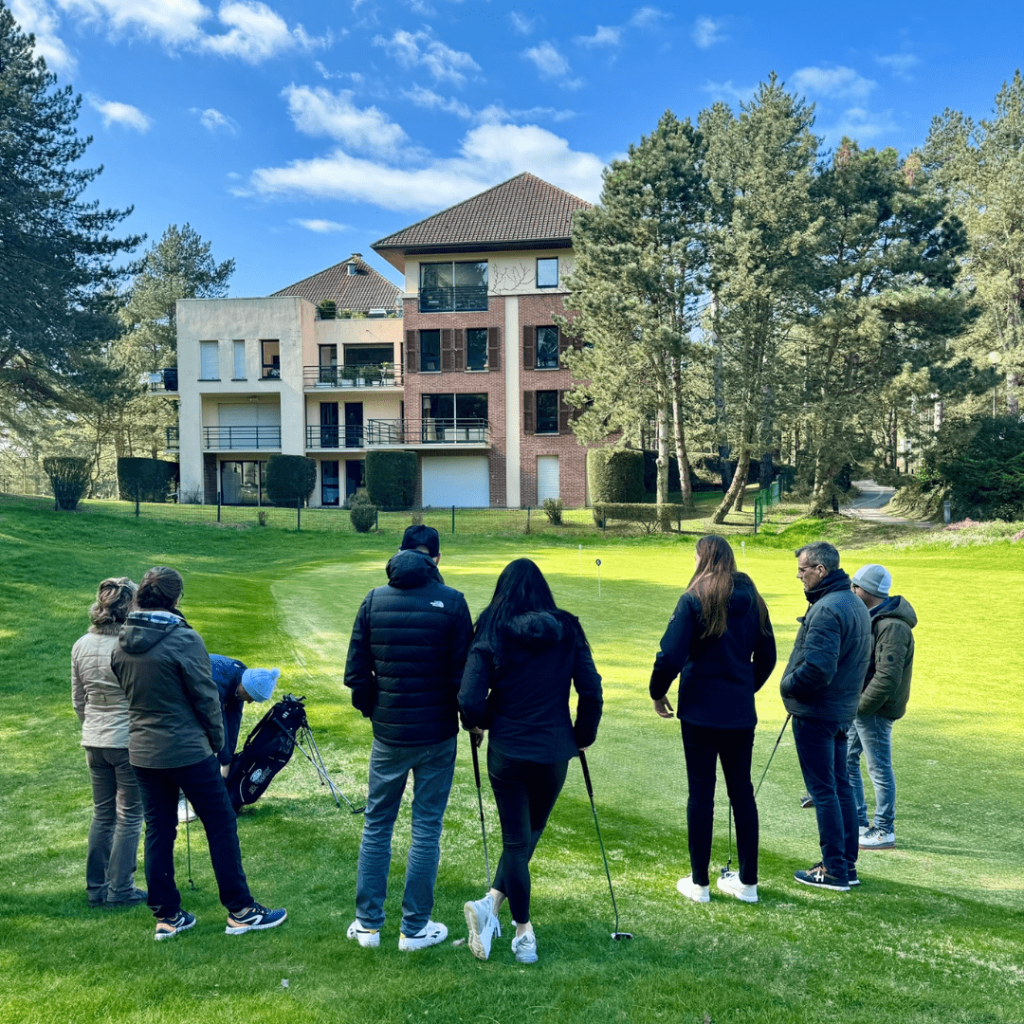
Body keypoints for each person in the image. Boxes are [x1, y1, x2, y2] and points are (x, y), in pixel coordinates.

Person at [110, 566, 286, 940]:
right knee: (221, 824)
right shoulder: (183, 638)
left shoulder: (122, 639)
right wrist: (221, 748)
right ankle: (241, 910)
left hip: (142, 749)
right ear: (176, 600)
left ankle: (167, 916)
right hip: (187, 749)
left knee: (158, 829)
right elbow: (207, 700)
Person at [459, 558, 602, 964]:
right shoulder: (568, 626)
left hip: (508, 749)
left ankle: (511, 923)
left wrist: (486, 719)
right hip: (553, 750)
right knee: (526, 837)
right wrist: (581, 736)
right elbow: (591, 691)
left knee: (519, 842)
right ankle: (506, 919)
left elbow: (469, 698)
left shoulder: (491, 624)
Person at [344, 525, 473, 951]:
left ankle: (368, 925)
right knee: (425, 828)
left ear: (399, 553)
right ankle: (414, 928)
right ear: (436, 558)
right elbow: (463, 678)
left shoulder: (373, 600)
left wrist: (375, 711)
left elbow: (356, 676)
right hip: (437, 733)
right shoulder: (452, 603)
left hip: (391, 733)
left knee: (377, 824)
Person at [650, 536, 776, 905]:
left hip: (700, 711)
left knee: (701, 794)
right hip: (737, 712)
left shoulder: (694, 597)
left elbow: (670, 654)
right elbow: (767, 656)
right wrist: (742, 688)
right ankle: (748, 884)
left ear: (702, 558)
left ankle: (701, 883)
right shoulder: (753, 600)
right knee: (742, 793)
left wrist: (657, 691)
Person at [780, 542, 871, 892]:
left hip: (818, 712)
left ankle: (833, 868)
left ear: (820, 570)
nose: (800, 577)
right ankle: (846, 865)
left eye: (803, 571)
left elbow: (818, 668)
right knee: (839, 786)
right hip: (840, 711)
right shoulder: (852, 602)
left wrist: (789, 686)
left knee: (824, 791)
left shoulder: (828, 608)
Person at [72, 576, 145, 908]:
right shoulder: (130, 645)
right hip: (126, 739)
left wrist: (91, 727)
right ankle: (121, 890)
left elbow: (78, 700)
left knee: (103, 815)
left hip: (94, 738)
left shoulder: (80, 644)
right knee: (130, 816)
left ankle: (95, 889)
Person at [848, 564, 916, 851]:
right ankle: (858, 821)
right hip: (860, 706)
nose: (851, 590)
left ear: (868, 591)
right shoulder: (873, 616)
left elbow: (887, 678)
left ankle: (884, 830)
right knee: (846, 759)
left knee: (878, 768)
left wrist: (860, 707)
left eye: (855, 586)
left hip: (874, 710)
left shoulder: (893, 626)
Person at [208, 656, 280, 778]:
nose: (250, 702)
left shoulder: (243, 678)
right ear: (245, 690)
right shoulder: (217, 684)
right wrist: (224, 761)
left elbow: (234, 719)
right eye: (251, 698)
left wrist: (228, 759)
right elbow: (217, 722)